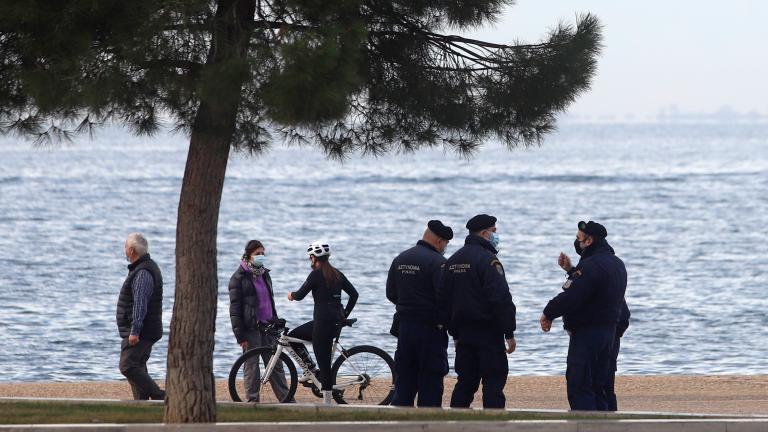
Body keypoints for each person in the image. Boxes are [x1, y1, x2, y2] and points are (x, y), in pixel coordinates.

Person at [540, 221, 627, 411]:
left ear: (589, 241)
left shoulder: (591, 266)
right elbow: (602, 295)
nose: (576, 242)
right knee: (601, 387)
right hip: (609, 335)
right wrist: (572, 271)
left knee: (580, 384)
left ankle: (584, 425)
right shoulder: (617, 264)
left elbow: (572, 296)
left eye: (579, 239)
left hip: (588, 334)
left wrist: (548, 313)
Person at [438, 214, 517, 409]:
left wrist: (454, 333)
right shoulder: (489, 261)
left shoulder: (452, 261)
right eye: (494, 231)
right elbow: (501, 299)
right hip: (488, 334)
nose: (496, 235)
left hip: (463, 335)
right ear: (484, 233)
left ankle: (456, 423)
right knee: (493, 383)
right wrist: (509, 332)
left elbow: (443, 301)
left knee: (465, 383)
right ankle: (494, 425)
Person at [387, 220, 453, 407]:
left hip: (405, 327)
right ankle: (429, 422)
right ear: (440, 241)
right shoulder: (439, 263)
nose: (445, 248)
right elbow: (444, 298)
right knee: (431, 380)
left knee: (405, 378)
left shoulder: (401, 258)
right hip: (430, 329)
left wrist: (408, 306)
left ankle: (399, 422)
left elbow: (390, 293)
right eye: (446, 244)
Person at [287, 240, 359, 404]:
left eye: (310, 257)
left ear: (313, 258)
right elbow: (354, 295)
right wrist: (345, 314)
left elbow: (299, 296)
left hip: (323, 325)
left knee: (325, 366)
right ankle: (309, 370)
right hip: (334, 323)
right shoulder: (337, 273)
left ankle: (327, 404)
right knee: (292, 337)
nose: (309, 260)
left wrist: (290, 295)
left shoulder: (315, 274)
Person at [228, 239, 291, 402]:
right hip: (251, 329)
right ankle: (252, 401)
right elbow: (235, 310)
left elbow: (270, 301)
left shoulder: (265, 274)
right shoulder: (238, 278)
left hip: (269, 327)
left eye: (263, 253)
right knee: (252, 367)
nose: (261, 256)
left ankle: (287, 400)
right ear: (248, 256)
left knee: (276, 366)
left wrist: (275, 320)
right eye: (257, 254)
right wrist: (239, 336)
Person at [116, 233, 165, 400]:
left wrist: (135, 331)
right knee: (138, 366)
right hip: (145, 329)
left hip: (141, 331)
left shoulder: (143, 273)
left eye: (125, 248)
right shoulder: (144, 268)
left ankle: (160, 395)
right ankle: (141, 404)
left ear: (131, 250)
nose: (124, 251)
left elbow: (140, 304)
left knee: (127, 366)